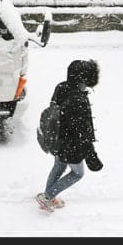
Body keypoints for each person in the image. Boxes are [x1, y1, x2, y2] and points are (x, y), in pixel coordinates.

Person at [36, 58, 103, 212]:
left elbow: (55, 110)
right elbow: (82, 133)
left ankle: (48, 198)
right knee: (77, 173)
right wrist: (91, 155)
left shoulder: (61, 87)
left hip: (57, 139)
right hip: (71, 145)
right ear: (82, 78)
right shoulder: (78, 100)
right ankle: (47, 196)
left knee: (58, 165)